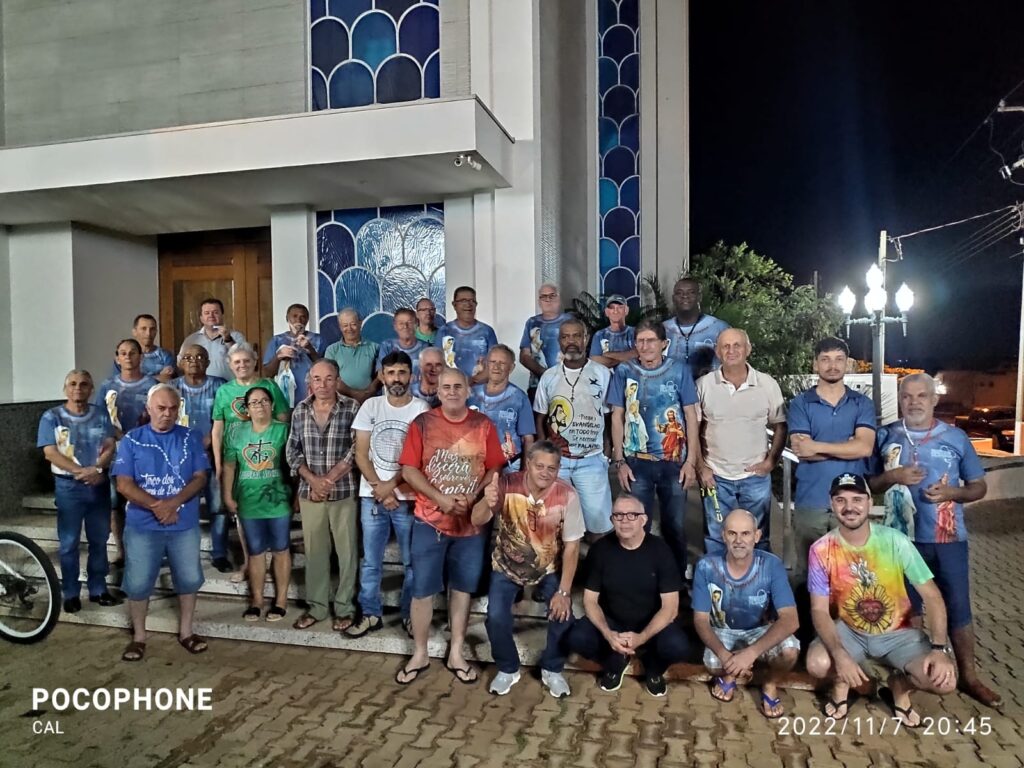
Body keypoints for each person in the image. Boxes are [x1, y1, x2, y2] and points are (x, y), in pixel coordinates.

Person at [867, 373, 999, 708]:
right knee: (910, 610)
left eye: (921, 396)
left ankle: (969, 677)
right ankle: (916, 674)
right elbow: (870, 484)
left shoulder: (955, 438)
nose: (914, 402)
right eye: (907, 397)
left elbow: (978, 486)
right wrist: (892, 476)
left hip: (947, 539)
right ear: (900, 399)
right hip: (899, 540)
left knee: (958, 608)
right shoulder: (886, 435)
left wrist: (952, 493)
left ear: (934, 399)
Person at [806, 473, 957, 725]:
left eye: (857, 499)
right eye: (840, 500)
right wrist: (839, 654)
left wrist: (939, 649)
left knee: (944, 681)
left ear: (868, 502)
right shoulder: (821, 549)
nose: (849, 507)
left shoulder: (895, 541)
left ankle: (899, 686)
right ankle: (842, 685)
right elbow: (819, 610)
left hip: (899, 633)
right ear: (832, 505)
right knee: (818, 663)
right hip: (850, 631)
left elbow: (932, 596)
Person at [395, 367, 506, 685]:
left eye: (459, 386)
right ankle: (419, 652)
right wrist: (439, 498)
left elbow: (495, 465)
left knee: (462, 590)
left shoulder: (483, 425)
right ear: (438, 391)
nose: (453, 391)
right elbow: (409, 469)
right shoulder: (423, 424)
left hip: (470, 526)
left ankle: (456, 651)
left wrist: (475, 494)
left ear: (469, 390)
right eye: (446, 387)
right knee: (422, 591)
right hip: (430, 521)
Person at [473, 441, 582, 697]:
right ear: (528, 465)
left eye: (552, 468)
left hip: (548, 567)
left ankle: (552, 669)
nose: (545, 473)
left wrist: (564, 593)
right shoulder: (506, 484)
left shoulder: (567, 495)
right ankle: (508, 667)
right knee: (496, 617)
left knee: (563, 615)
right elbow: (476, 520)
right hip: (507, 565)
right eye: (540, 466)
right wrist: (487, 503)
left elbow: (573, 547)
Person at [111, 384, 211, 662]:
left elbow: (200, 478)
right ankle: (139, 637)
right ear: (148, 409)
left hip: (183, 524)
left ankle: (187, 632)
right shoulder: (132, 440)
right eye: (161, 408)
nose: (167, 414)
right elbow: (123, 484)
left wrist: (173, 503)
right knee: (139, 581)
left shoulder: (191, 437)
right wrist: (158, 506)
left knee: (189, 578)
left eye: (173, 408)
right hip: (143, 525)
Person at [565, 495, 689, 697]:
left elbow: (670, 607)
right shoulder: (600, 550)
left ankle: (654, 668)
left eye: (632, 515)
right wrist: (608, 633)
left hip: (650, 623)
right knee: (577, 637)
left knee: (678, 646)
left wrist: (642, 637)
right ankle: (614, 661)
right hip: (613, 621)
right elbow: (590, 600)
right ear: (612, 520)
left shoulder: (661, 551)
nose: (625, 520)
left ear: (644, 520)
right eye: (619, 515)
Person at [347, 351, 430, 638]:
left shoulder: (421, 410)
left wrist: (391, 487)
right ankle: (370, 613)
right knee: (371, 561)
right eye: (391, 372)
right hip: (373, 496)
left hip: (407, 498)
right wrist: (380, 489)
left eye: (402, 372)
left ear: (411, 375)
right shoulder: (370, 406)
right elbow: (360, 453)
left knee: (411, 562)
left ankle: (410, 615)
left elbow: (420, 459)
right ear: (382, 375)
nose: (396, 378)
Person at [608, 319, 699, 572]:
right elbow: (617, 416)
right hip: (637, 463)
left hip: (674, 463)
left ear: (663, 344)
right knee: (636, 527)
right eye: (640, 341)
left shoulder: (679, 370)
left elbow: (691, 415)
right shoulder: (624, 371)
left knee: (674, 527)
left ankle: (676, 582)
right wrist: (620, 461)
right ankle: (639, 580)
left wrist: (691, 461)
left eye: (651, 340)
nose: (645, 346)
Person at [693, 509, 800, 719]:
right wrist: (725, 656)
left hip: (758, 629)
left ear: (757, 536)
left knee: (790, 651)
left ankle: (770, 684)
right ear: (723, 536)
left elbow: (791, 619)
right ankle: (730, 673)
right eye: (732, 533)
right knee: (713, 664)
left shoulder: (771, 565)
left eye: (746, 534)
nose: (739, 540)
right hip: (722, 629)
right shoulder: (707, 565)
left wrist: (750, 653)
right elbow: (700, 620)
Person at [285, 359, 360, 631]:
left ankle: (345, 607)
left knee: (347, 552)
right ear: (310, 382)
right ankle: (316, 607)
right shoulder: (300, 411)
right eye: (317, 379)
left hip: (343, 491)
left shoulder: (352, 407)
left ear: (338, 380)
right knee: (315, 552)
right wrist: (314, 481)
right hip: (310, 492)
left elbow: (356, 450)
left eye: (329, 378)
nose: (323, 384)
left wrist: (328, 479)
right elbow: (291, 451)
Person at [696, 328, 787, 553]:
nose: (731, 350)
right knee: (716, 538)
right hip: (715, 477)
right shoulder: (703, 385)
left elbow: (781, 425)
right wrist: (701, 467)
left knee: (758, 538)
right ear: (718, 352)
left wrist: (770, 462)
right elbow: (693, 429)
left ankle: (759, 585)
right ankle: (719, 586)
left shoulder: (767, 384)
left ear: (748, 349)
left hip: (754, 478)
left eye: (737, 345)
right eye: (725, 346)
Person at [38, 370, 119, 612]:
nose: (78, 388)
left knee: (99, 539)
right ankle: (71, 592)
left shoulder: (100, 413)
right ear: (65, 389)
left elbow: (110, 444)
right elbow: (49, 451)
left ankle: (98, 588)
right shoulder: (51, 417)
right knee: (69, 542)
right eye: (72, 384)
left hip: (97, 485)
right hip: (68, 487)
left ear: (91, 388)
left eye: (83, 384)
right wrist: (80, 471)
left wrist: (96, 469)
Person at [534, 318, 613, 538]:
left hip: (592, 460)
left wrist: (607, 452)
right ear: (559, 341)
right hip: (558, 462)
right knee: (555, 523)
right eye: (565, 337)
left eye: (576, 336)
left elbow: (610, 416)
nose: (571, 341)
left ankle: (596, 570)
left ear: (586, 339)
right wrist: (545, 452)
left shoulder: (601, 374)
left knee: (599, 525)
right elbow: (540, 418)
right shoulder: (549, 377)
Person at [222, 386, 292, 622]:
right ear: (247, 408)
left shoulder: (283, 430)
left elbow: (292, 464)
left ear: (272, 405)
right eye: (254, 402)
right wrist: (227, 495)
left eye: (264, 401)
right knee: (255, 551)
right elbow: (230, 466)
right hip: (248, 500)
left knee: (281, 549)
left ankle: (281, 600)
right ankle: (257, 600)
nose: (259, 406)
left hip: (278, 498)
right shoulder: (236, 433)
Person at [210, 343, 290, 538]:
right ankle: (250, 558)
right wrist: (219, 463)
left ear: (255, 362)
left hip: (264, 455)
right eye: (237, 362)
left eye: (246, 360)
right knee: (240, 508)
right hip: (234, 457)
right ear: (229, 364)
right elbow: (217, 429)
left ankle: (271, 554)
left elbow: (282, 418)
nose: (242, 365)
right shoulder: (224, 391)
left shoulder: (268, 386)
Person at [96, 339, 159, 564]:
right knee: (116, 503)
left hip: (146, 451)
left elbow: (161, 416)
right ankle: (122, 550)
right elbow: (99, 418)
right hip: (115, 452)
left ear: (141, 357)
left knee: (144, 498)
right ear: (117, 358)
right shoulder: (107, 386)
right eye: (123, 353)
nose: (128, 357)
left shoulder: (151, 385)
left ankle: (149, 548)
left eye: (133, 352)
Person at [170, 345, 229, 572]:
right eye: (188, 357)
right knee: (184, 507)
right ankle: (184, 554)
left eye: (199, 357)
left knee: (218, 507)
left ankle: (220, 553)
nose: (194, 361)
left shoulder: (219, 386)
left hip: (213, 455)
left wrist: (209, 440)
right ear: (180, 362)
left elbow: (226, 416)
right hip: (181, 459)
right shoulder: (171, 387)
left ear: (207, 361)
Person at [468, 344, 536, 471]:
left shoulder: (519, 397)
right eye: (493, 362)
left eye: (502, 363)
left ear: (511, 368)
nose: (496, 367)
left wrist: (524, 472)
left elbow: (528, 439)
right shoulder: (470, 394)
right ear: (487, 364)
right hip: (474, 465)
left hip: (509, 466)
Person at [663, 277, 730, 382]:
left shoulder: (719, 328)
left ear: (699, 297)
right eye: (679, 293)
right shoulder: (663, 329)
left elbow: (732, 363)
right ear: (673, 298)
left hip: (710, 392)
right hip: (672, 392)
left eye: (691, 292)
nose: (685, 296)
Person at [262, 303, 324, 407]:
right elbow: (268, 373)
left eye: (303, 317)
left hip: (311, 396)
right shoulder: (277, 341)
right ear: (287, 318)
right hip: (284, 396)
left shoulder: (318, 340)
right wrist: (278, 356)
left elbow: (325, 368)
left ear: (307, 320)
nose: (298, 320)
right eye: (294, 316)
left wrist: (310, 349)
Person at [434, 286, 498, 383]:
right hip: (452, 390)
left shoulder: (487, 331)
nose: (468, 304)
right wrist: (459, 383)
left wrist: (472, 381)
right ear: (454, 305)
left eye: (472, 301)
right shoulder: (444, 331)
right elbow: (437, 363)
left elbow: (495, 363)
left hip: (481, 391)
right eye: (463, 300)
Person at [519, 284, 573, 396]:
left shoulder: (570, 320)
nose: (548, 299)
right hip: (537, 386)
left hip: (567, 385)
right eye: (543, 296)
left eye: (552, 295)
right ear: (539, 302)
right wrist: (544, 374)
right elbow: (524, 356)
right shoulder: (532, 322)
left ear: (559, 298)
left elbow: (579, 352)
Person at [178, 298, 246, 381]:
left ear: (222, 315)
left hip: (229, 387)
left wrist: (228, 339)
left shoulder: (236, 336)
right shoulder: (191, 340)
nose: (211, 316)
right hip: (201, 388)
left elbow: (244, 360)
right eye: (207, 313)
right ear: (201, 318)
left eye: (215, 312)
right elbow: (180, 363)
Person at [324, 308, 380, 404]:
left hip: (368, 402)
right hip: (340, 403)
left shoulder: (375, 347)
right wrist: (355, 394)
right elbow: (329, 378)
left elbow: (381, 374)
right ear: (340, 327)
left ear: (360, 323)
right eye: (345, 325)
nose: (349, 329)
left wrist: (369, 392)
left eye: (353, 324)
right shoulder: (332, 350)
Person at [111, 314, 176, 383]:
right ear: (134, 332)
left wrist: (135, 379)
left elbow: (166, 380)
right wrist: (157, 377)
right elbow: (119, 383)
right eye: (143, 329)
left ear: (156, 332)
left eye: (152, 329)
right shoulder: (124, 357)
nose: (148, 333)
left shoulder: (166, 355)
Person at [376, 308, 429, 383]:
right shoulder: (387, 346)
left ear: (416, 324)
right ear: (395, 326)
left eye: (409, 322)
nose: (405, 326)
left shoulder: (426, 348)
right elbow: (381, 373)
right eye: (401, 323)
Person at [589, 295, 637, 369]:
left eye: (620, 307)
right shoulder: (599, 335)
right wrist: (626, 358)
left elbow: (638, 354)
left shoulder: (635, 332)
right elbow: (595, 361)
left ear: (626, 310)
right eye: (612, 308)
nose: (615, 311)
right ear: (606, 312)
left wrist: (607, 355)